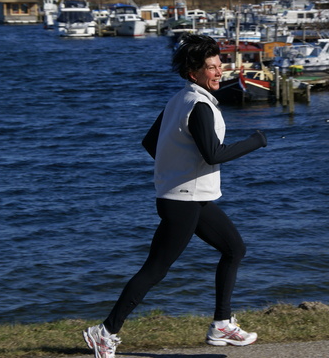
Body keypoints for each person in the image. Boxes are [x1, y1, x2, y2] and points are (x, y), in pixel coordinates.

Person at [83, 34, 267, 358]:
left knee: (234, 248)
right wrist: (255, 141)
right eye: (210, 67)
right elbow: (213, 154)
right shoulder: (198, 107)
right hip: (183, 201)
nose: (218, 71)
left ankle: (221, 324)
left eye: (218, 64)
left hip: (187, 197)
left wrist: (175, 170)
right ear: (192, 72)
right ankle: (105, 332)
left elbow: (150, 143)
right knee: (155, 269)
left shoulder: (179, 100)